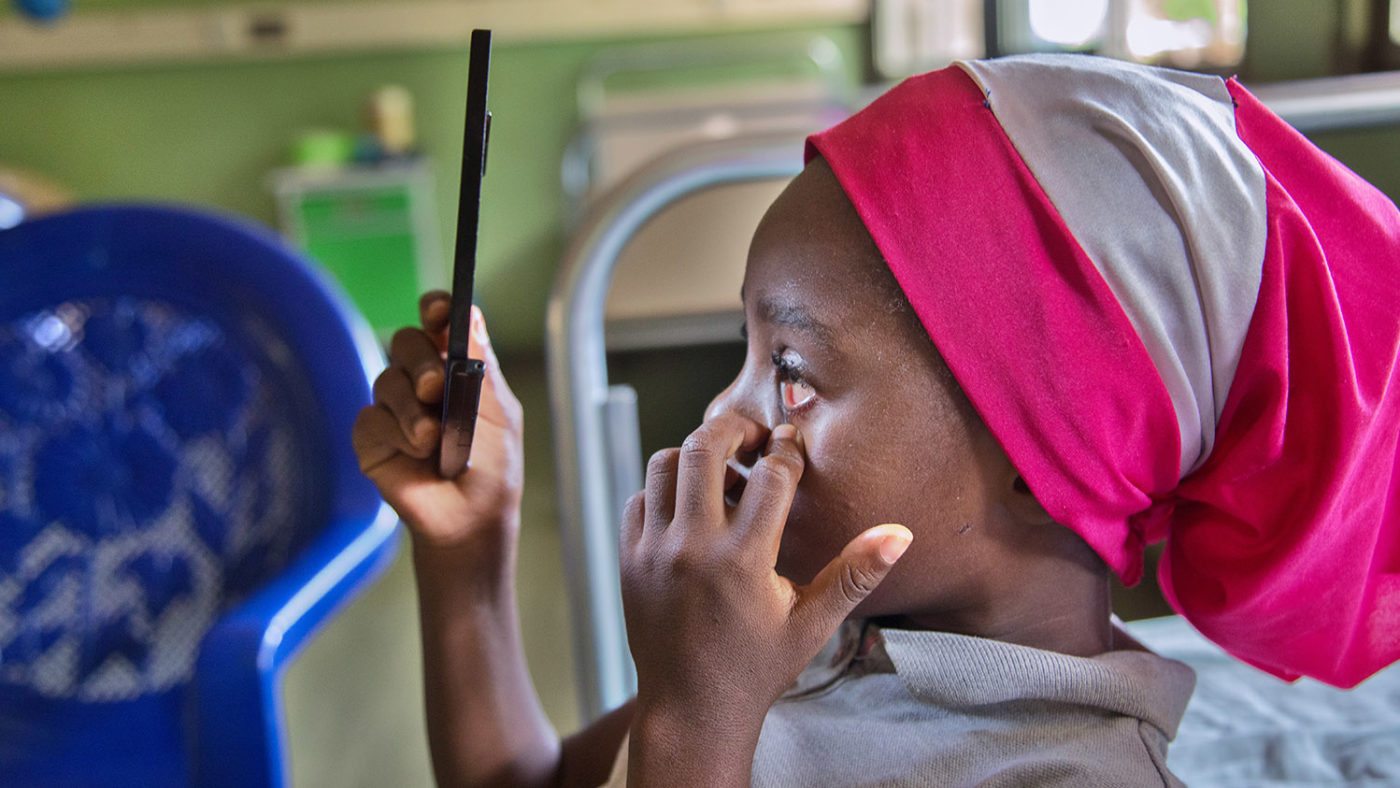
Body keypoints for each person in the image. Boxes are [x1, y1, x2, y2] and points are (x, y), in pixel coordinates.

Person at [352, 53, 1400, 787]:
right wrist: (470, 553)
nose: (727, 414)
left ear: (1042, 466)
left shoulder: (1060, 775)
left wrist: (697, 724)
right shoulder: (812, 636)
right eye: (748, 356)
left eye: (792, 372)